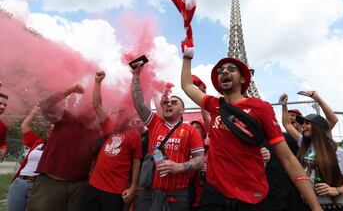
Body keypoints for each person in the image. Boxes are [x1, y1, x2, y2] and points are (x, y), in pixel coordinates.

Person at [181, 53, 322, 210]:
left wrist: (316, 207)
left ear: (242, 79)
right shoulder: (214, 106)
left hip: (251, 197)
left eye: (232, 68)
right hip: (215, 195)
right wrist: (187, 57)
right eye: (220, 70)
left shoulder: (261, 108)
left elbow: (288, 158)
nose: (224, 71)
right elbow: (187, 85)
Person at [131, 64, 204, 211]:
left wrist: (178, 167)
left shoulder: (190, 130)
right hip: (149, 194)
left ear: (182, 110)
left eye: (174, 102)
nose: (169, 104)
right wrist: (136, 76)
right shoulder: (155, 123)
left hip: (176, 196)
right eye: (167, 102)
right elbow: (139, 104)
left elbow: (200, 160)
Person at [26, 84, 100, 211]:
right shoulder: (67, 118)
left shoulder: (97, 133)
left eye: (94, 106)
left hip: (79, 187)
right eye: (87, 105)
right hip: (51, 184)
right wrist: (69, 90)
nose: (90, 108)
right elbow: (44, 105)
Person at [281, 93, 343, 211]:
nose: (303, 126)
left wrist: (335, 190)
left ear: (318, 128)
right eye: (303, 123)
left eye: (307, 123)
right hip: (307, 205)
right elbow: (287, 124)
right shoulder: (304, 143)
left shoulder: (339, 153)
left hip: (333, 207)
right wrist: (284, 105)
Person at [82, 71, 142, 211]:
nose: (118, 113)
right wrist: (97, 82)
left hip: (115, 191)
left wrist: (133, 187)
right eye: (118, 111)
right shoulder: (110, 126)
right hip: (93, 185)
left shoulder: (134, 135)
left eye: (122, 112)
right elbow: (97, 105)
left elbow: (137, 162)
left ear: (129, 116)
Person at [7, 103, 52, 211]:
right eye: (49, 128)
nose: (51, 129)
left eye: (55, 128)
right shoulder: (38, 142)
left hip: (39, 186)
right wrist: (34, 112)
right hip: (20, 182)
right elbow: (24, 126)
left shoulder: (60, 149)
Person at [0, 90, 9, 162]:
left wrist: (2, 153)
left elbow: (3, 144)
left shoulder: (3, 126)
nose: (3, 107)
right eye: (0, 103)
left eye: (5, 105)